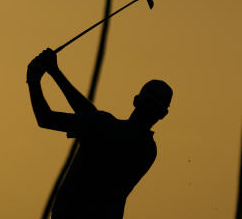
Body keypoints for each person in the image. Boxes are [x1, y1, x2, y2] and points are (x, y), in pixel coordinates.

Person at [27, 48, 172, 218]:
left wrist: (34, 79)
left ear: (135, 100)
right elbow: (91, 115)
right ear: (163, 114)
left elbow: (45, 119)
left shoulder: (103, 125)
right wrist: (55, 72)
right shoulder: (148, 149)